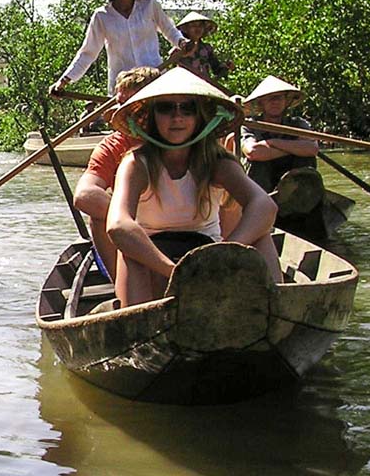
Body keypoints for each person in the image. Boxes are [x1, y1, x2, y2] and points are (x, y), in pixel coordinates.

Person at [106, 67, 281, 308]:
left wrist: (221, 255)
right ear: (153, 116)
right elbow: (118, 225)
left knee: (262, 236)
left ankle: (273, 312)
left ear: (199, 117)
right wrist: (175, 272)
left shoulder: (218, 162)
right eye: (166, 108)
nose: (177, 118)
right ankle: (139, 327)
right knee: (130, 249)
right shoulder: (136, 164)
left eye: (187, 109)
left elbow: (264, 205)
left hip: (206, 253)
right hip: (154, 257)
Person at [49, 0, 189, 97]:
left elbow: (169, 30)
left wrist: (182, 43)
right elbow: (88, 53)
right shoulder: (101, 16)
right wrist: (64, 80)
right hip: (123, 88)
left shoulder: (149, 5)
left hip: (153, 79)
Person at [71, 67, 161, 283]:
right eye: (120, 104)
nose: (124, 111)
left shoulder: (181, 135)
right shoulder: (114, 145)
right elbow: (84, 195)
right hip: (132, 231)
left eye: (133, 105)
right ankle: (120, 290)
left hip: (182, 227)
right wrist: (130, 218)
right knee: (98, 216)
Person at [240, 76, 319, 192]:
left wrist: (272, 143)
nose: (275, 102)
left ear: (286, 101)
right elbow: (253, 152)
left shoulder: (297, 123)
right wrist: (294, 148)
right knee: (258, 163)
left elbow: (312, 149)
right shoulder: (250, 125)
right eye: (271, 99)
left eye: (279, 98)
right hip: (260, 181)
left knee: (306, 159)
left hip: (292, 182)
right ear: (261, 103)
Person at [169, 11, 233, 87]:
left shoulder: (207, 49)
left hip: (204, 86)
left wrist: (226, 67)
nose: (197, 29)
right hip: (184, 86)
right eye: (193, 26)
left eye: (200, 26)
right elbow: (170, 69)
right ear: (186, 29)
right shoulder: (179, 49)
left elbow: (216, 68)